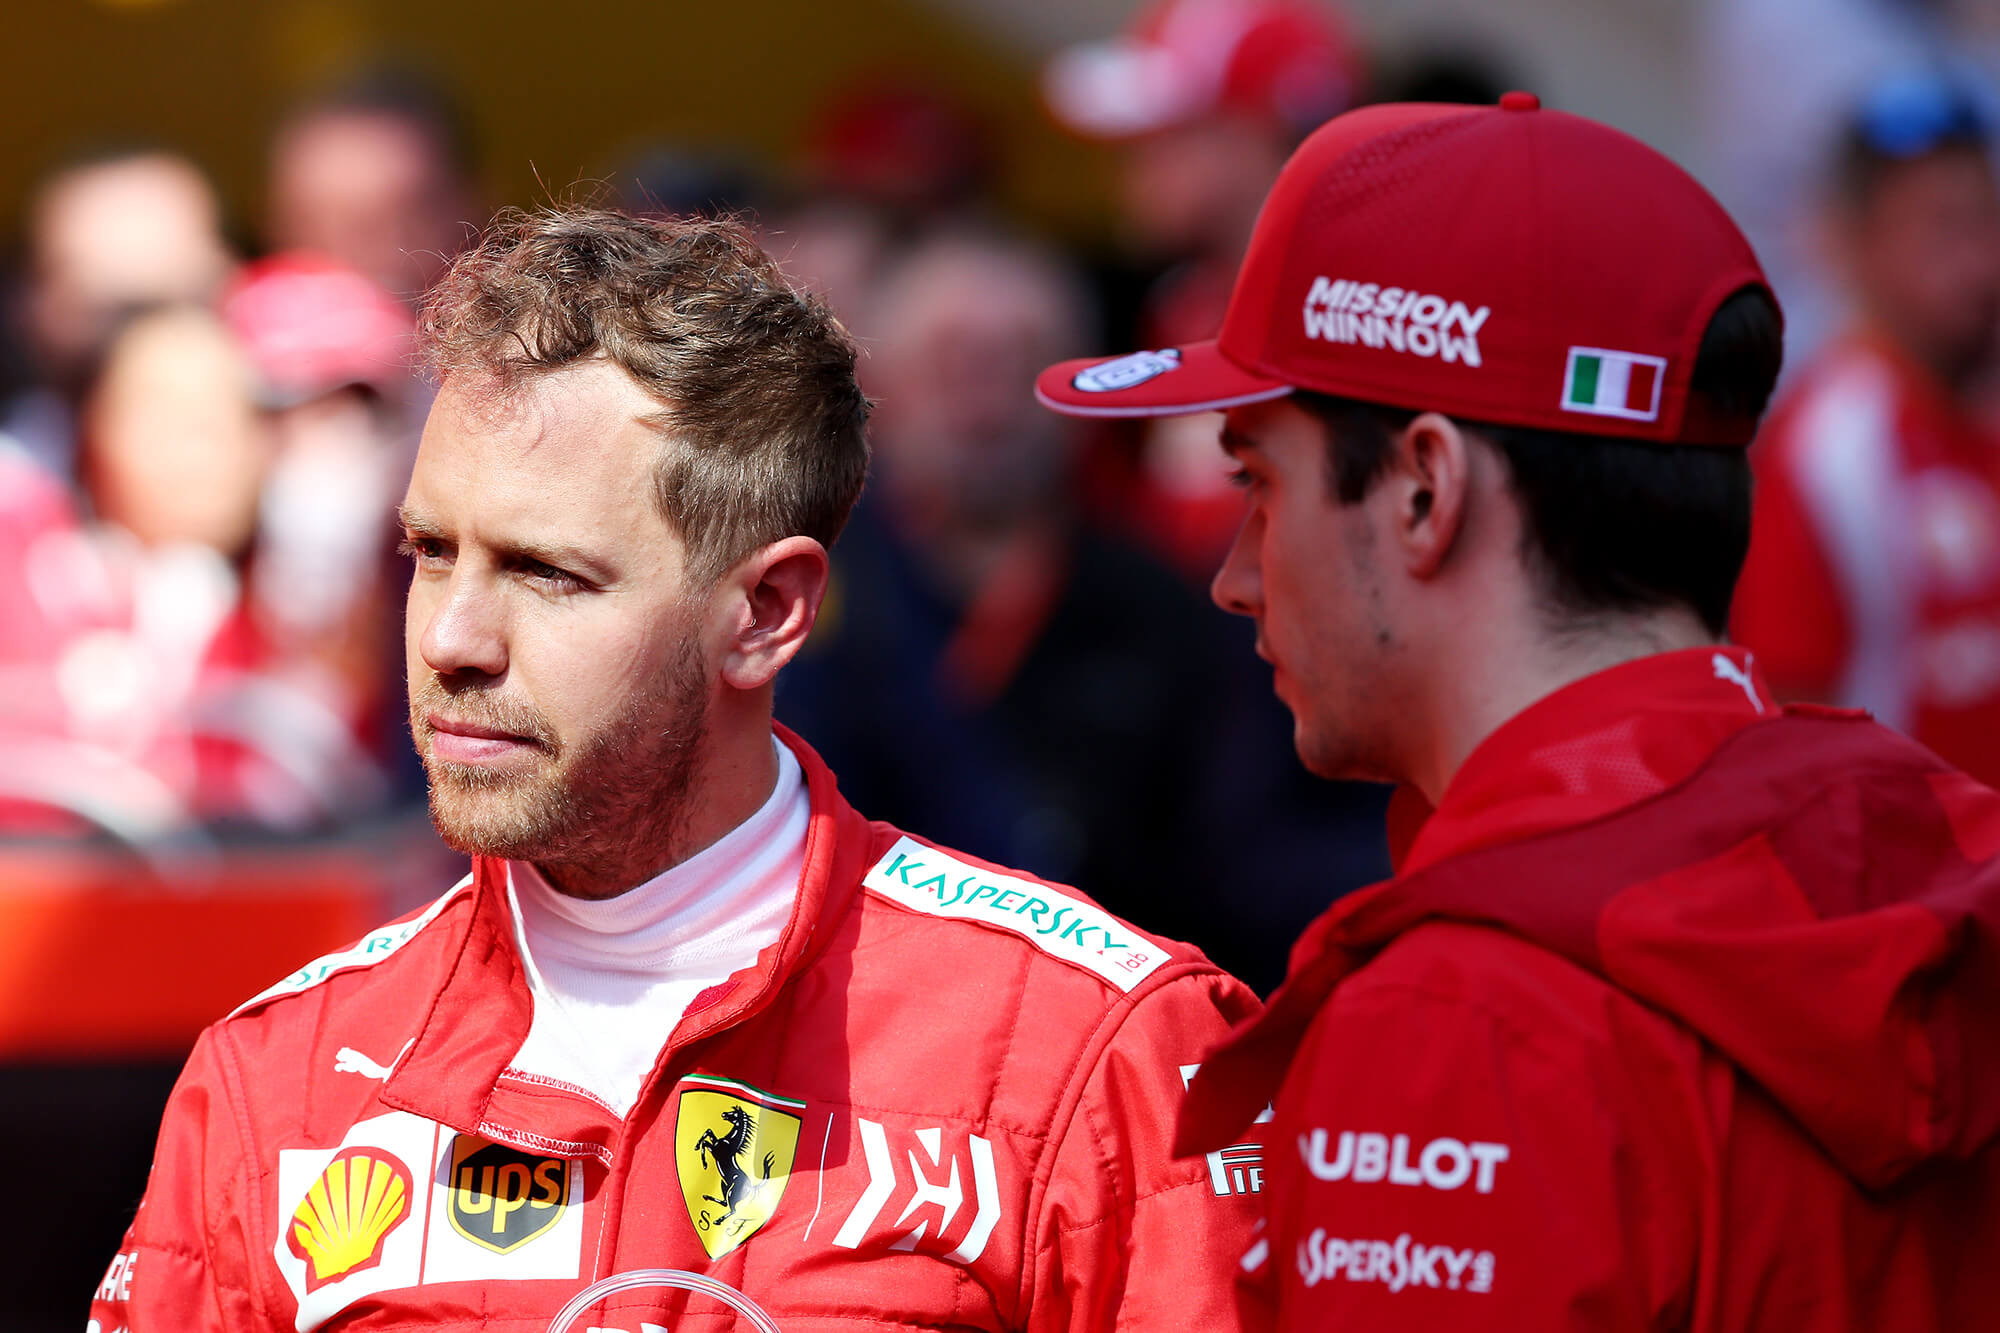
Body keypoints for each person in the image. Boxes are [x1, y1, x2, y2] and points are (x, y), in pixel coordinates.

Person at [89, 207, 1260, 1333]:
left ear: (766, 612)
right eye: (432, 552)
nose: (452, 637)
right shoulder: (276, 1075)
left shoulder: (1092, 1046)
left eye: (546, 572)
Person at [1037, 93, 2000, 1329]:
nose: (1232, 576)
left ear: (1423, 490)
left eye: (1258, 482)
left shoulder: (1459, 1022)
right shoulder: (1934, 851)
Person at [778, 225, 1385, 991]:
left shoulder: (1173, 611)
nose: (983, 397)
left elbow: (1239, 862)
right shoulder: (787, 596)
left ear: (1084, 387)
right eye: (951, 360)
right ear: (876, 386)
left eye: (1018, 362)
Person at [1733, 74, 2000, 785]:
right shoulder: (1821, 455)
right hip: (1909, 852)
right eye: (1942, 227)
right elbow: (1788, 725)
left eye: (1987, 220)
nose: (1980, 261)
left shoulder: (1981, 414)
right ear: (1852, 245)